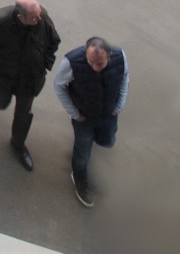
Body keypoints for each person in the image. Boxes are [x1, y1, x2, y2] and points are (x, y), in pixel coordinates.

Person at [0, 0, 61, 171]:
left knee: (23, 113)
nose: (38, 19)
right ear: (20, 16)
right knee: (1, 103)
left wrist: (45, 64)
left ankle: (18, 144)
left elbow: (53, 41)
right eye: (34, 17)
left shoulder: (41, 17)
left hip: (30, 79)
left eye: (39, 15)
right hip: (3, 76)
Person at [54, 37, 128, 208]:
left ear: (109, 56)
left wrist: (120, 105)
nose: (95, 68)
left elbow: (125, 77)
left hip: (109, 114)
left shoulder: (120, 57)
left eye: (100, 64)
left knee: (107, 141)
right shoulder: (71, 62)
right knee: (82, 152)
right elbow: (58, 85)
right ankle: (79, 177)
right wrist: (74, 113)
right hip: (84, 117)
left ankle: (88, 146)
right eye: (90, 62)